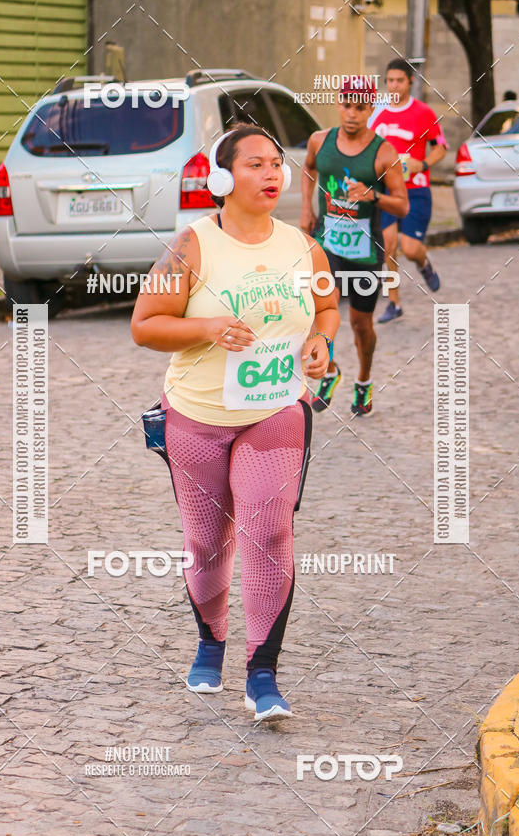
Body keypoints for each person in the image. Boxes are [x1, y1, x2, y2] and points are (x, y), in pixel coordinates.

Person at [131, 124, 339, 723]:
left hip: (275, 411)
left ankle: (262, 674)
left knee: (270, 533)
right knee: (206, 540)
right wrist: (208, 327)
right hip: (196, 416)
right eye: (254, 164)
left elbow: (325, 307)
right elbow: (146, 324)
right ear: (223, 179)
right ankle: (210, 642)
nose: (272, 174)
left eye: (277, 163)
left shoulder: (304, 247)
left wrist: (322, 342)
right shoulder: (192, 246)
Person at [301, 78, 408, 416]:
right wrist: (307, 207)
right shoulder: (320, 141)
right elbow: (308, 169)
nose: (352, 113)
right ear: (338, 102)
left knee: (361, 324)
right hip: (326, 244)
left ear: (371, 109)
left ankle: (363, 382)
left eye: (360, 107)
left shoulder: (383, 152)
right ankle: (329, 373)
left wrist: (372, 195)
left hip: (365, 253)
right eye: (346, 104)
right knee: (316, 309)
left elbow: (402, 206)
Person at [370, 57, 448, 323]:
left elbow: (441, 147)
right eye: (390, 80)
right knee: (388, 245)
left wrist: (422, 163)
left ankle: (424, 264)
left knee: (411, 248)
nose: (394, 85)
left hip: (416, 191)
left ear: (410, 82)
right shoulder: (377, 115)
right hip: (389, 193)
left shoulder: (423, 113)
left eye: (399, 81)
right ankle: (394, 304)